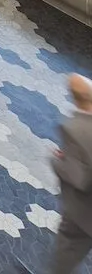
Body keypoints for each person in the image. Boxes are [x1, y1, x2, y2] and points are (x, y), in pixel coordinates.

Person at [45, 73, 92, 274]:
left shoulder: (75, 129)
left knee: (65, 258)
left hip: (84, 216)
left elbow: (79, 179)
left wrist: (57, 161)